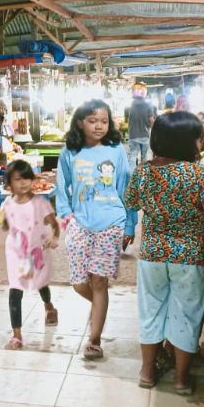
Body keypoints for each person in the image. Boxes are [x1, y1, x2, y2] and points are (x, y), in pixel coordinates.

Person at [124, 112, 204, 394]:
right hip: (188, 257)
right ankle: (180, 379)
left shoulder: (143, 170)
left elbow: (130, 200)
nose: (201, 143)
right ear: (186, 142)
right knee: (186, 314)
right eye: (198, 138)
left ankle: (146, 373)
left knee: (150, 311)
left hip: (153, 254)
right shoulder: (196, 173)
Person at [56, 99, 137, 360]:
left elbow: (127, 188)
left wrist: (129, 223)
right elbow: (61, 186)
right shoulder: (70, 151)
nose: (99, 126)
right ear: (80, 123)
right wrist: (67, 216)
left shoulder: (116, 151)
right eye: (92, 121)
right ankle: (100, 306)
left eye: (104, 121)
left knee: (99, 282)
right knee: (80, 283)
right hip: (79, 223)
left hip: (112, 222)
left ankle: (95, 339)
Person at [0, 159, 60, 350]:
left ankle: (49, 307)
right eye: (18, 179)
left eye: (26, 178)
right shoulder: (7, 204)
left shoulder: (40, 203)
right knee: (15, 289)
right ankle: (17, 335)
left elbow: (54, 224)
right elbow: (4, 226)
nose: (23, 183)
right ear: (9, 183)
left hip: (36, 250)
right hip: (15, 253)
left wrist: (54, 238)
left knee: (40, 283)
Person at [124, 84, 156, 168]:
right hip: (144, 135)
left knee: (132, 157)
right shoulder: (148, 105)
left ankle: (131, 176)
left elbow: (126, 120)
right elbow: (151, 120)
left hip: (133, 135)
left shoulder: (129, 106)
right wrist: (154, 132)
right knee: (144, 157)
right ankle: (143, 175)